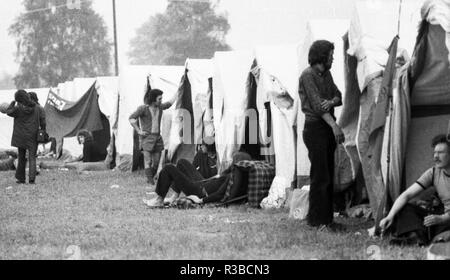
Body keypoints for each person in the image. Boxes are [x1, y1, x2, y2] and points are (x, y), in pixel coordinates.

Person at [298, 40, 345, 230]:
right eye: (331, 55)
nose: (332, 58)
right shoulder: (308, 75)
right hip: (315, 128)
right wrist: (335, 125)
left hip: (324, 127)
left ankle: (327, 220)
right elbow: (317, 106)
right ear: (322, 56)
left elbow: (339, 96)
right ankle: (317, 220)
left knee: (327, 173)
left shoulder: (327, 74)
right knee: (320, 175)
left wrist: (331, 102)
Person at [379, 135, 450, 245]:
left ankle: (436, 238)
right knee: (404, 207)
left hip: (446, 220)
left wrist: (442, 218)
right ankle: (416, 238)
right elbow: (406, 195)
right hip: (442, 217)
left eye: (441, 153)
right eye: (434, 153)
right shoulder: (434, 172)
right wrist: (390, 216)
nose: (435, 157)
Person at [143, 152, 252, 208]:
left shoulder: (232, 177)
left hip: (199, 191)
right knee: (182, 162)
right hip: (204, 183)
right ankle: (174, 196)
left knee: (168, 168)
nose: (231, 162)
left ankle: (159, 200)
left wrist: (200, 201)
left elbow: (219, 194)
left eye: (233, 161)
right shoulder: (235, 174)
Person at [129, 89, 175, 185]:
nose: (161, 100)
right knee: (148, 161)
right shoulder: (143, 109)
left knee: (156, 162)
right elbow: (132, 118)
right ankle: (150, 182)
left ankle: (150, 178)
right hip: (147, 138)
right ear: (153, 99)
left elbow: (170, 103)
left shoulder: (160, 107)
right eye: (159, 99)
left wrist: (179, 90)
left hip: (157, 138)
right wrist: (139, 131)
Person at [2, 90, 44, 184]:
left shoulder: (17, 108)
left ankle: (21, 178)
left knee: (21, 157)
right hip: (33, 136)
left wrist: (13, 103)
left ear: (18, 99)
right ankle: (32, 179)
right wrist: (43, 131)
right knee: (32, 157)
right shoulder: (37, 107)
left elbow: (8, 112)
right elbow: (42, 121)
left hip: (21, 136)